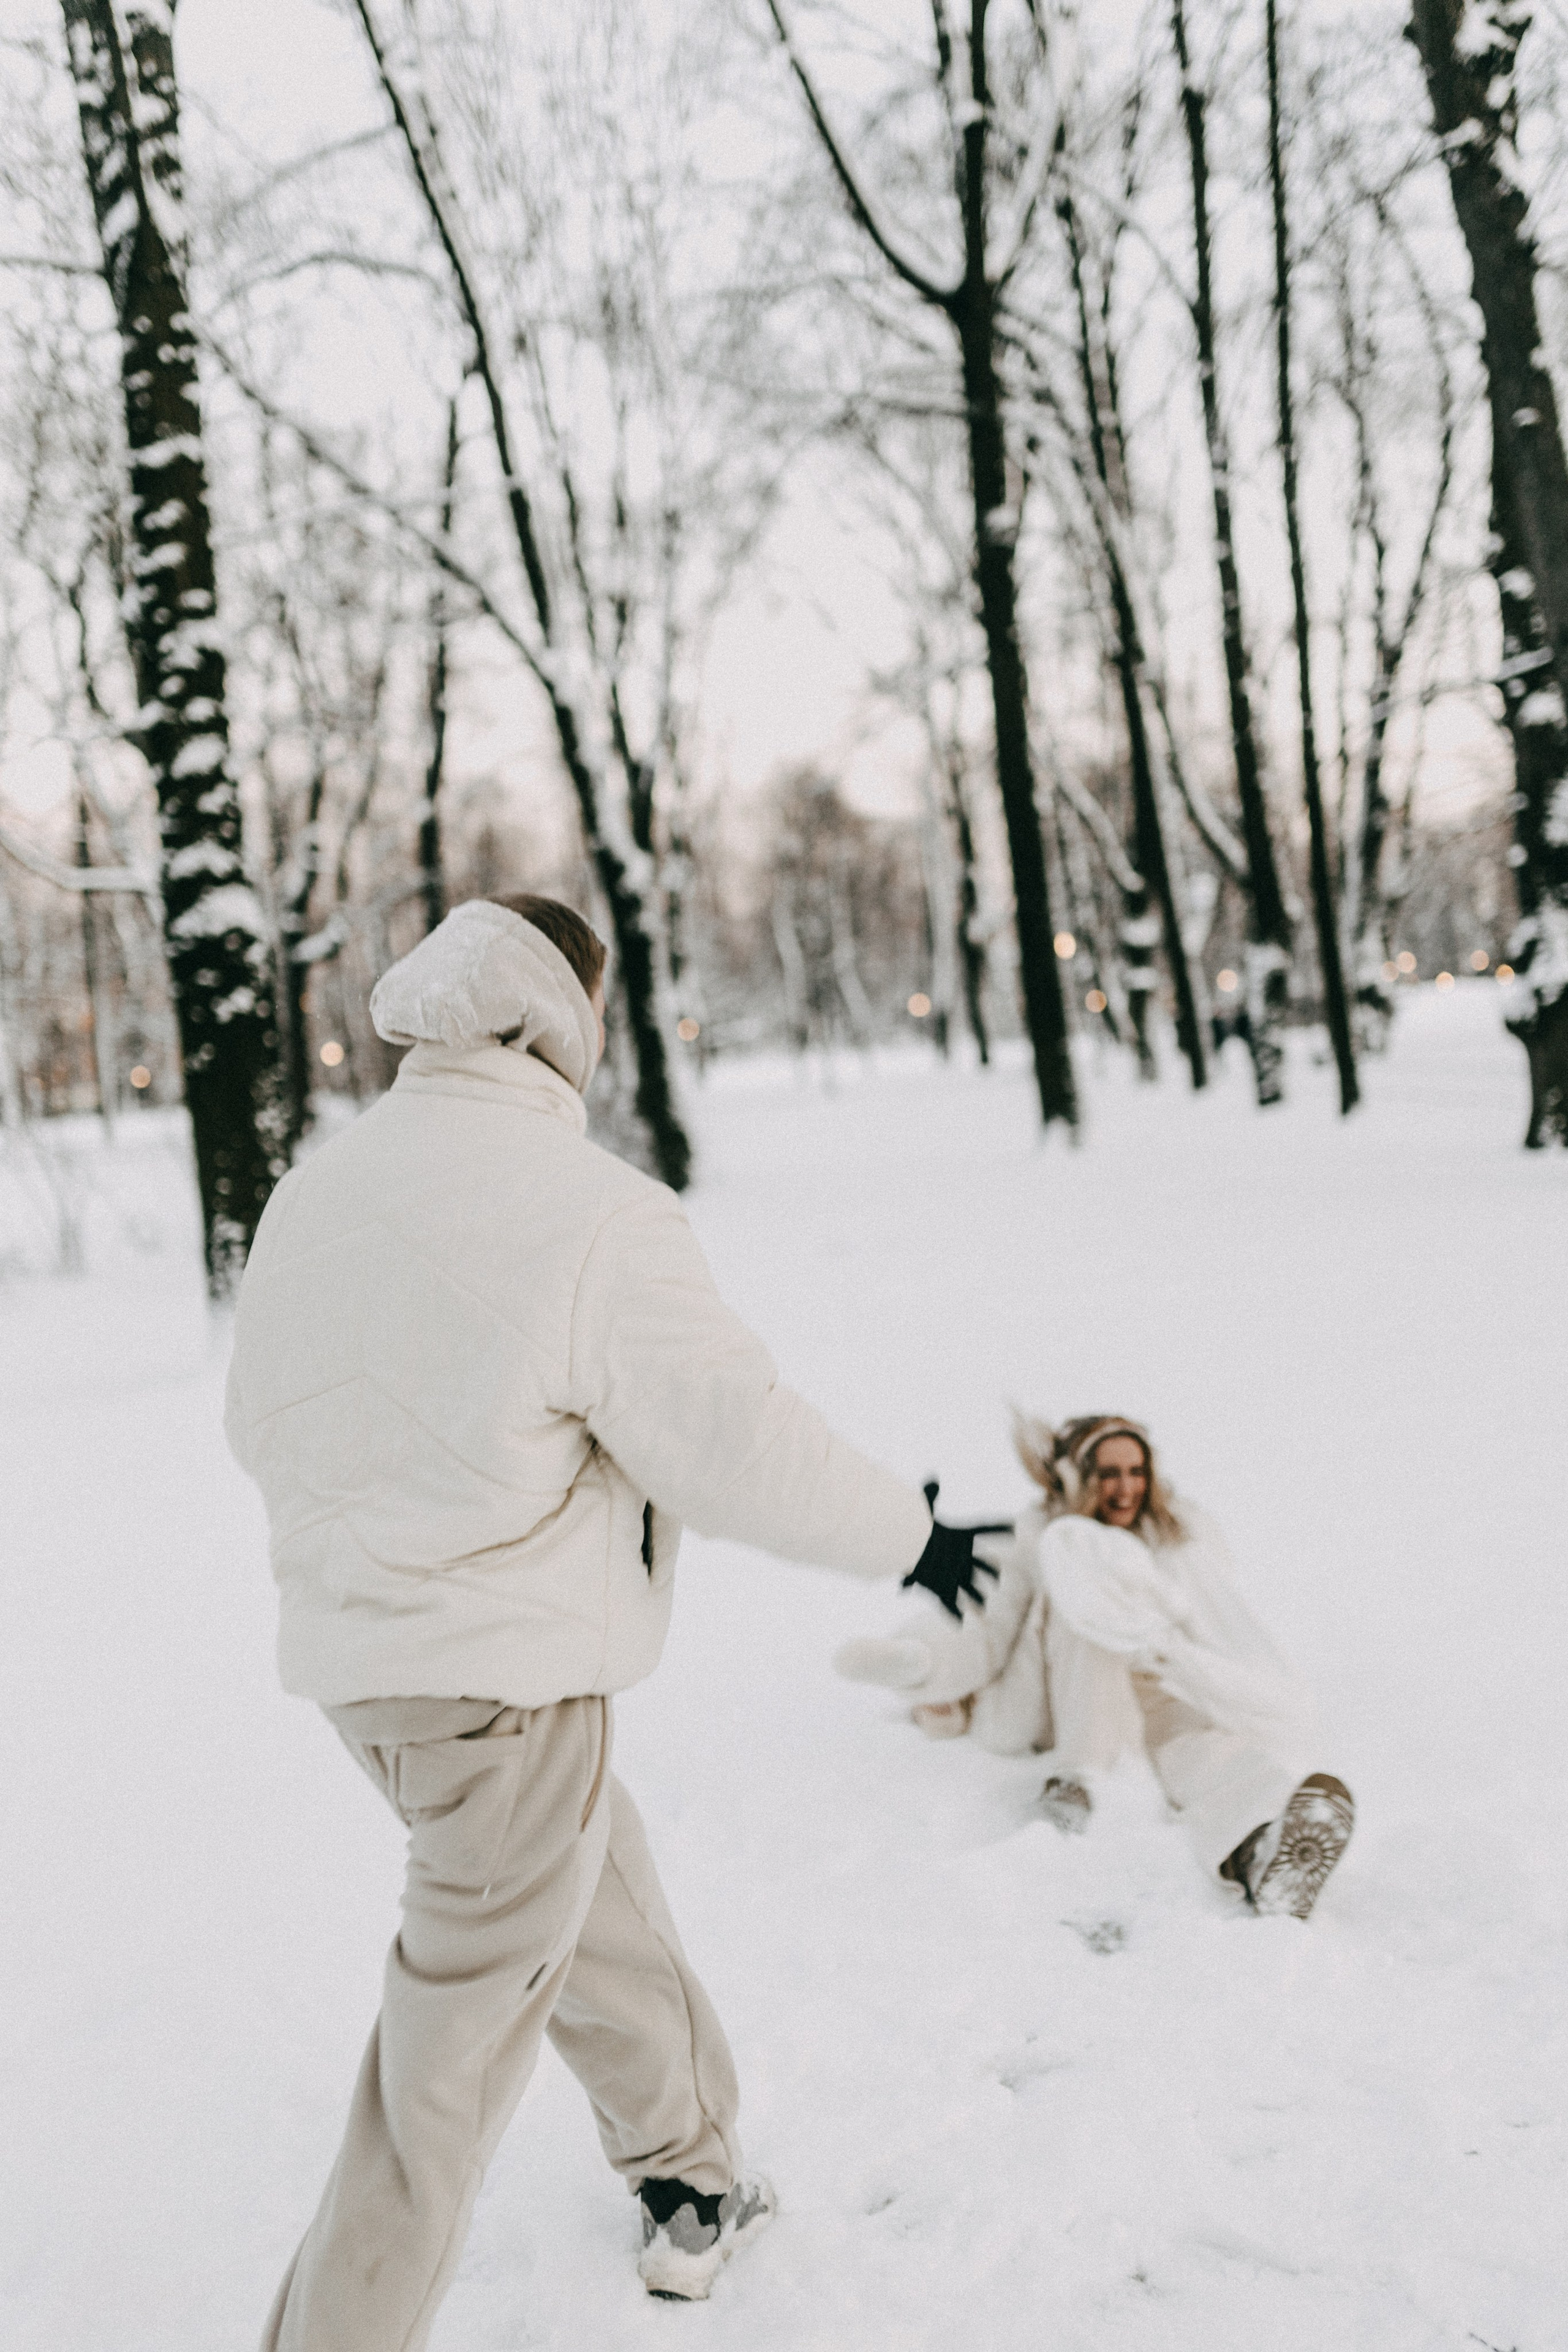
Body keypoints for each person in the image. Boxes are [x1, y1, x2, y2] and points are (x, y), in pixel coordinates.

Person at [224, 892, 999, 2345]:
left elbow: (253, 1415)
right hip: (497, 1687)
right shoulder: (587, 1211)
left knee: (597, 1909)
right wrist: (912, 1533)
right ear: (568, 1012)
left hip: (371, 1682)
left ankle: (684, 2171)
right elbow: (734, 1441)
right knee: (432, 2093)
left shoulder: (317, 1188)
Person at [835, 1413, 1354, 1920]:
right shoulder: (1043, 1539)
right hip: (1066, 1691)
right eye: (1108, 1473)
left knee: (1205, 1749)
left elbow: (1206, 1621)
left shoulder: (1167, 1539)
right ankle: (1084, 1780)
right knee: (1081, 1599)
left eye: (1136, 1471)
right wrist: (924, 1670)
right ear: (1077, 1478)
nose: (1125, 1487)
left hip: (1149, 1684)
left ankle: (1261, 1848)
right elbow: (988, 1641)